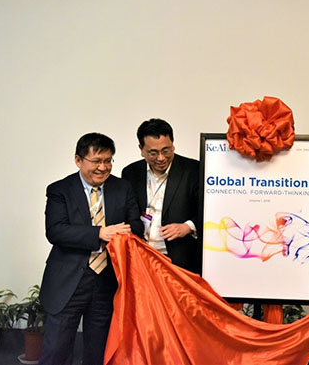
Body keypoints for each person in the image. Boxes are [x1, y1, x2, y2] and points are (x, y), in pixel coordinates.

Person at [39, 132, 143, 365]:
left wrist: (122, 233)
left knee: (99, 350)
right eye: (96, 161)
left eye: (108, 161)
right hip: (69, 280)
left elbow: (135, 225)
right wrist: (99, 233)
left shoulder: (122, 187)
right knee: (56, 350)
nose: (103, 168)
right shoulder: (60, 190)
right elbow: (55, 231)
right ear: (78, 160)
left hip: (107, 280)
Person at [121, 118, 200, 273]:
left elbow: (208, 211)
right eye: (153, 153)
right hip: (142, 258)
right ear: (141, 149)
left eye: (166, 150)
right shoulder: (130, 172)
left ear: (173, 144)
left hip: (179, 259)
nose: (161, 158)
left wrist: (187, 227)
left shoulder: (193, 170)